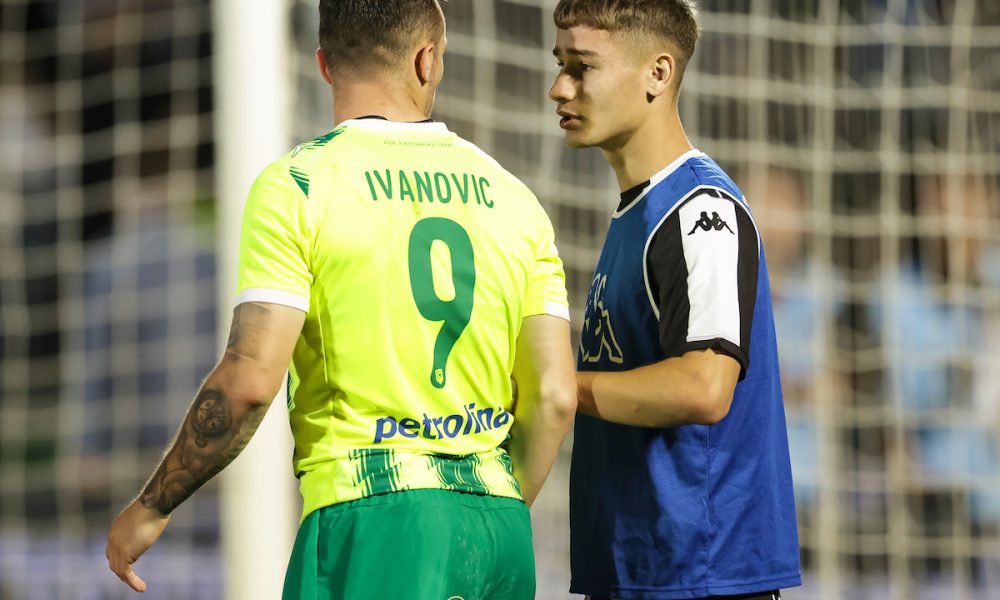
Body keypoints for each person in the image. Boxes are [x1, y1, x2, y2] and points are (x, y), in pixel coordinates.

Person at [106, 1, 577, 598]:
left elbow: (249, 380)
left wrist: (153, 504)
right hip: (498, 530)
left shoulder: (298, 185)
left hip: (372, 517)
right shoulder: (514, 198)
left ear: (325, 64)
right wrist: (496, 508)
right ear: (427, 60)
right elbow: (556, 396)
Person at [547, 1, 801, 598]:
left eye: (582, 66)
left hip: (699, 576)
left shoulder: (699, 210)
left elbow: (703, 387)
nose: (559, 87)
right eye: (559, 63)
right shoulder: (639, 212)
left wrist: (563, 386)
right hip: (642, 572)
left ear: (657, 74)